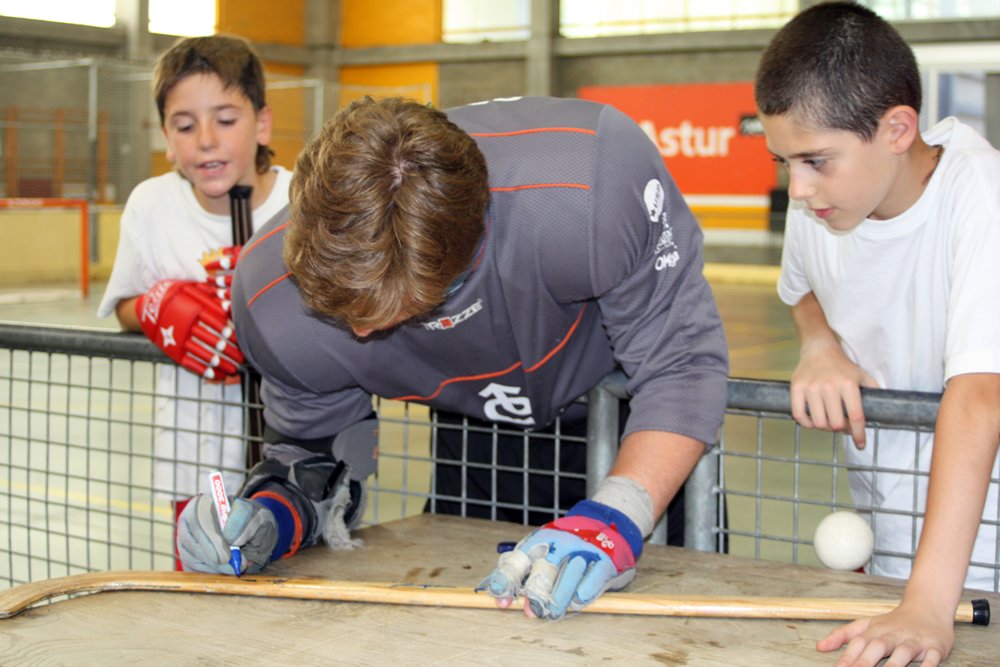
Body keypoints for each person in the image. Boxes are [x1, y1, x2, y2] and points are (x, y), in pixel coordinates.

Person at [176, 94, 729, 620]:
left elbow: (681, 366)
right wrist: (269, 519)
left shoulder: (586, 185)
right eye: (338, 310)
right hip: (474, 442)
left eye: (389, 311)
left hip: (635, 430)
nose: (360, 331)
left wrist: (619, 514)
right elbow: (314, 464)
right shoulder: (273, 300)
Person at [756, 3, 1000, 665]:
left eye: (815, 160)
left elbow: (980, 394)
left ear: (896, 129)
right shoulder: (824, 202)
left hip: (975, 554)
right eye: (784, 161)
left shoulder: (979, 197)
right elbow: (801, 288)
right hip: (896, 538)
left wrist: (928, 602)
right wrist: (819, 345)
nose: (797, 188)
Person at [96, 35, 293, 552]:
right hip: (194, 457)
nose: (206, 140)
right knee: (207, 576)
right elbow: (123, 305)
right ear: (166, 136)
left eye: (225, 120)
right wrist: (158, 305)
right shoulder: (152, 205)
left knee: (295, 587)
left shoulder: (302, 201)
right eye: (185, 126)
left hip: (294, 458)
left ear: (262, 124)